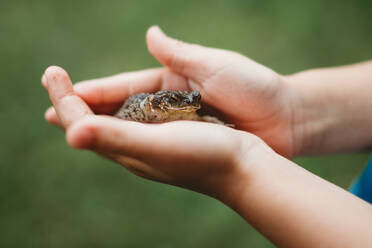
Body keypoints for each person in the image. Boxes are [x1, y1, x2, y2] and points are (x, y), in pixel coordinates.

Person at [42, 26, 372, 247]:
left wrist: (239, 168)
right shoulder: (155, 102)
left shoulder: (186, 105)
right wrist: (291, 109)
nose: (189, 105)